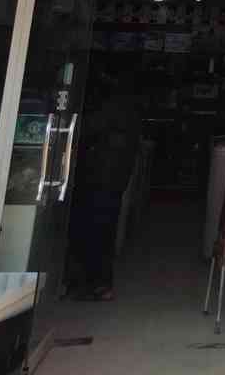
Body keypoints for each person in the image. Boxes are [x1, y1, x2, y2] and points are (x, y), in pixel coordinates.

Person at [66, 67, 142, 301]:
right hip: (111, 179)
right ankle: (97, 283)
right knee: (102, 231)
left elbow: (87, 128)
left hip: (101, 180)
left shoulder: (112, 106)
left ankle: (93, 284)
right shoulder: (126, 106)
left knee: (95, 231)